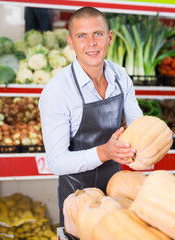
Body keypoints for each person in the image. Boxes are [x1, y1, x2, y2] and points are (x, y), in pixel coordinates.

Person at [38, 6, 143, 226]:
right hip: (79, 199)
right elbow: (56, 162)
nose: (91, 43)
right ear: (70, 42)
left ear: (110, 38)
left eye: (98, 34)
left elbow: (139, 126)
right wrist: (105, 151)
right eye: (81, 36)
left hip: (119, 193)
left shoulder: (121, 76)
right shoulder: (57, 90)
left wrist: (154, 136)